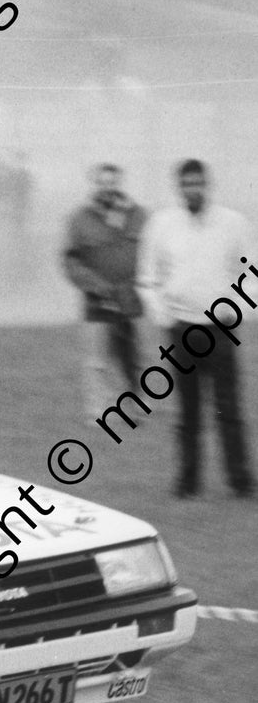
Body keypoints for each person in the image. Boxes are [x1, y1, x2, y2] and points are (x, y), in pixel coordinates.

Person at [138, 158, 254, 498]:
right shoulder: (161, 224)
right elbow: (147, 278)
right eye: (187, 184)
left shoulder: (232, 223)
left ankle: (241, 481)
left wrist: (238, 309)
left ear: (207, 185)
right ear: (179, 187)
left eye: (198, 183)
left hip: (220, 329)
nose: (193, 190)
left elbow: (251, 271)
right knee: (187, 409)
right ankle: (188, 482)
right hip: (181, 329)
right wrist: (164, 317)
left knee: (228, 407)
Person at [62, 162, 146, 419]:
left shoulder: (138, 215)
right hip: (96, 301)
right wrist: (95, 286)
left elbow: (151, 253)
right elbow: (70, 260)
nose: (108, 188)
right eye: (103, 183)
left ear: (119, 184)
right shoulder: (79, 219)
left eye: (112, 183)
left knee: (132, 356)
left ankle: (136, 405)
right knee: (96, 359)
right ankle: (97, 410)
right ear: (95, 185)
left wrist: (142, 284)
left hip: (129, 298)